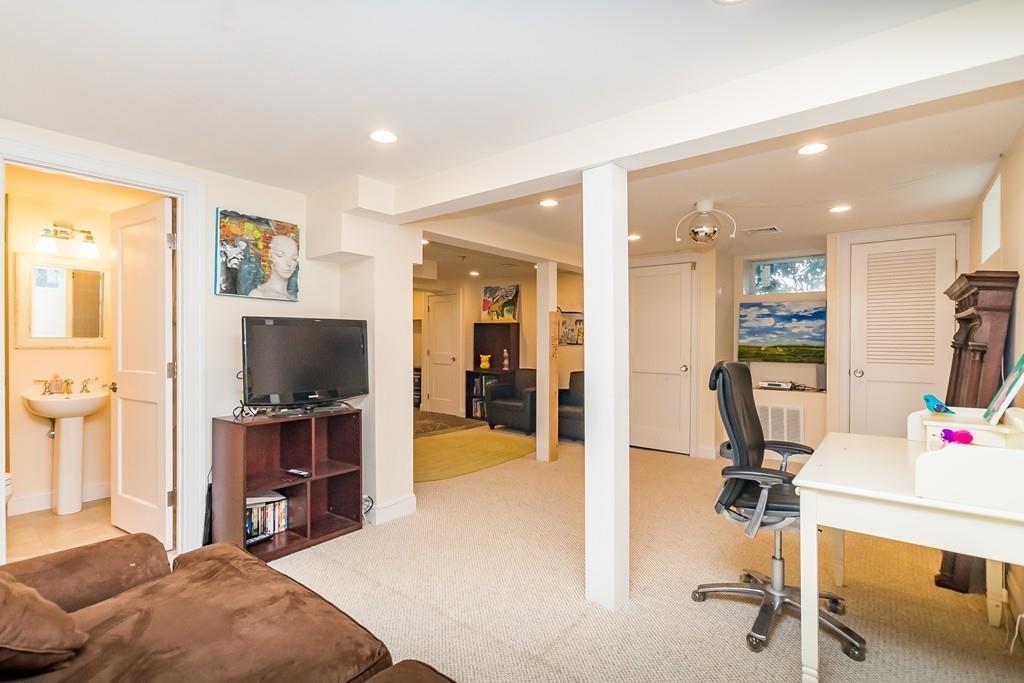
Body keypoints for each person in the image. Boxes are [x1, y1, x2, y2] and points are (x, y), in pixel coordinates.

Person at [250, 234, 298, 301]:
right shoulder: (259, 294)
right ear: (270, 256)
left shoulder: (293, 297)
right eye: (280, 255)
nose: (289, 264)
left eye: (294, 259)